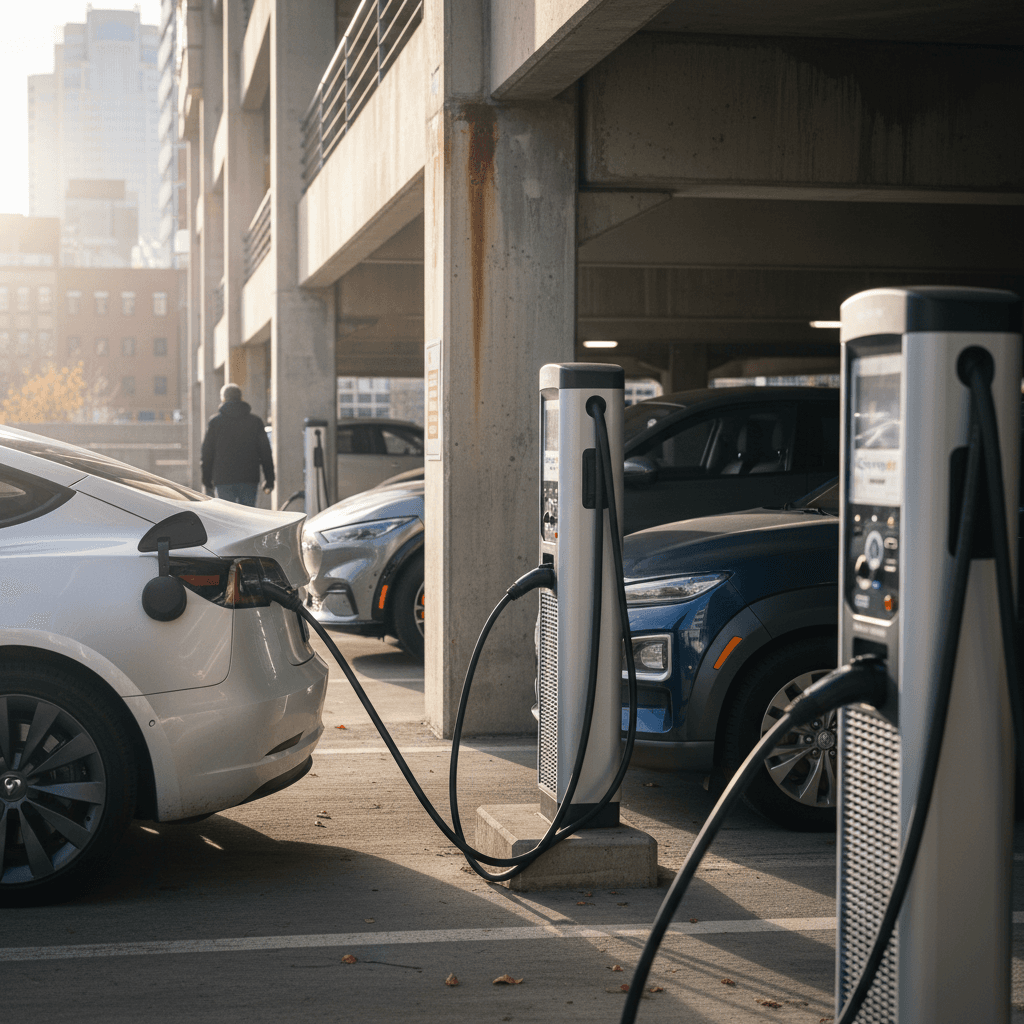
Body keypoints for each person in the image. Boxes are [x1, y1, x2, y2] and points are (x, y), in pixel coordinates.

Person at [200, 384, 275, 505]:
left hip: (223, 479)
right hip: (249, 478)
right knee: (247, 517)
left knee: (227, 517)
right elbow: (265, 452)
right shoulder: (255, 422)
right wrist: (269, 479)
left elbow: (207, 454)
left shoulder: (215, 423)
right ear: (241, 398)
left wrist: (207, 481)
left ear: (223, 399)